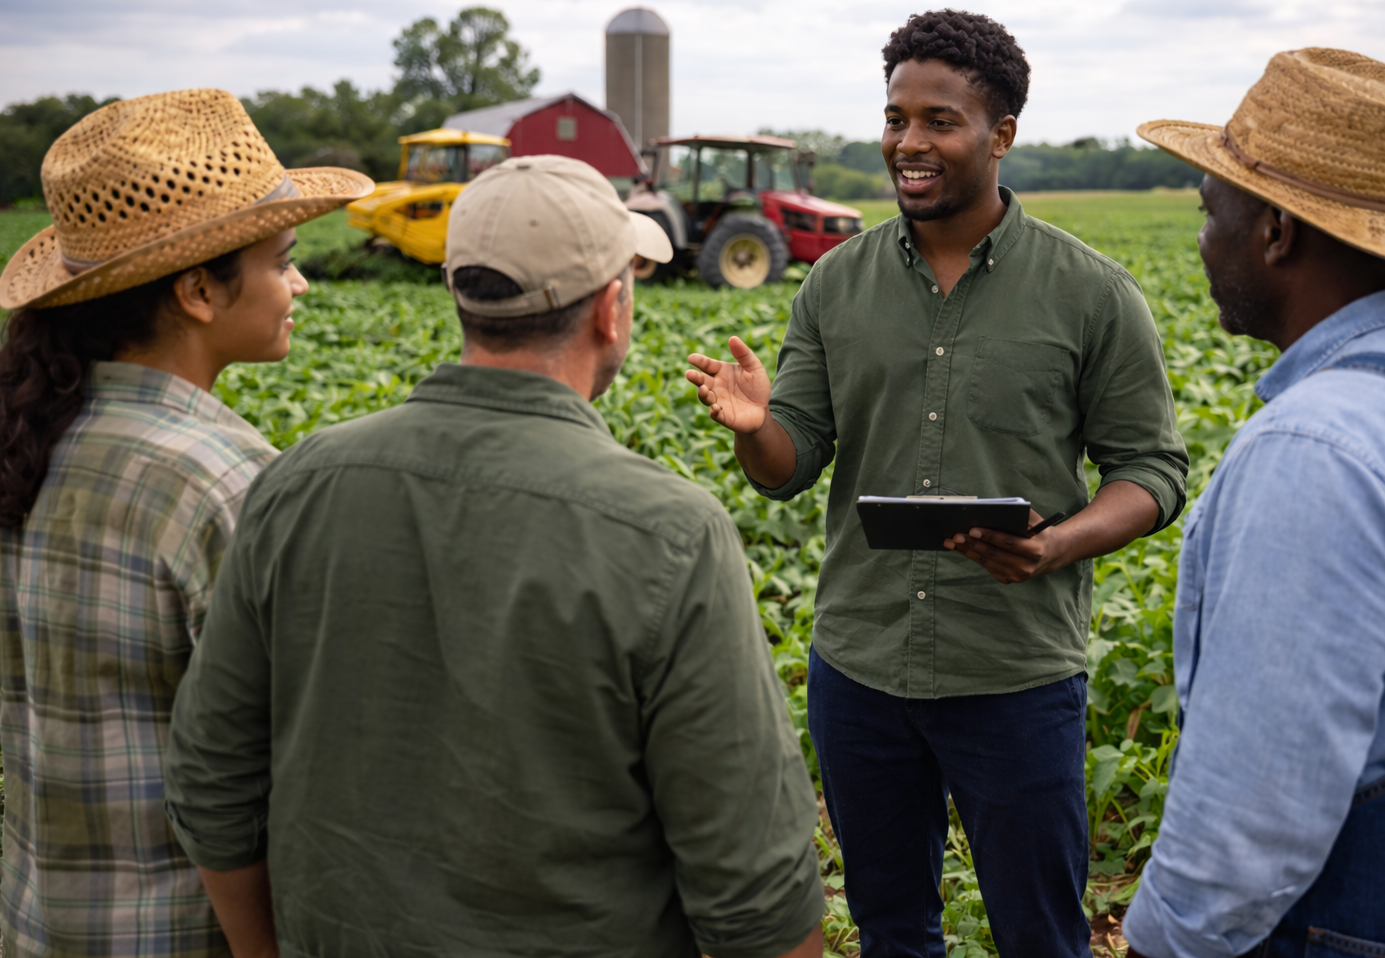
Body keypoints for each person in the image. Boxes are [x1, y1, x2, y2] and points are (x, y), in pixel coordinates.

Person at [161, 155, 826, 958]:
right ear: (612, 310)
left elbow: (210, 780)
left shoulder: (295, 482)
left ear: (461, 294)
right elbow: (756, 889)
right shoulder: (670, 532)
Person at [686, 10, 1188, 956]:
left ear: (1000, 136)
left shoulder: (1091, 294)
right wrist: (758, 430)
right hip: (861, 667)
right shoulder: (833, 284)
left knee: (1040, 933)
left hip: (1016, 673)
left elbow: (1152, 470)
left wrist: (1055, 544)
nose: (908, 143)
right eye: (895, 118)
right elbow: (789, 468)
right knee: (891, 931)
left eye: (939, 121)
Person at [1122, 49, 1385, 955]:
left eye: (1209, 211)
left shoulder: (1317, 450)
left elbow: (1250, 819)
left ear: (1274, 230)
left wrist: (1162, 941)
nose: (1202, 240)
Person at [0, 88, 372, 957]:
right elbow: (282, 779)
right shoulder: (225, 482)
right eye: (283, 260)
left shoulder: (29, 435)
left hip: (33, 922)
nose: (300, 283)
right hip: (185, 935)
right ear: (199, 290)